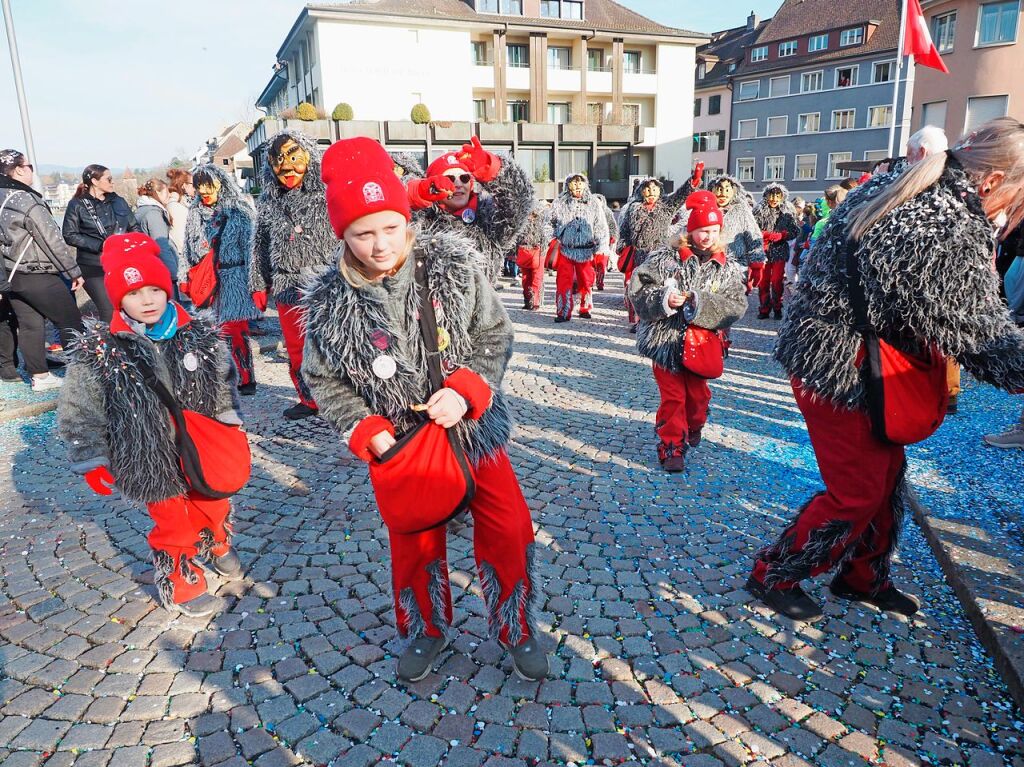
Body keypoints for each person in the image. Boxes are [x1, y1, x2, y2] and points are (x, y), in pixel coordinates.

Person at [749, 117, 1024, 622]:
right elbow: (982, 338)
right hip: (843, 368)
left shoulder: (909, 183)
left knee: (886, 476)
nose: (1011, 213)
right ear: (992, 181)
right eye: (1017, 198)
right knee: (857, 489)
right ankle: (776, 572)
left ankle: (862, 577)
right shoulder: (944, 221)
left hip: (843, 355)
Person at [301, 137, 548, 683]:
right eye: (363, 234)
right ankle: (425, 628)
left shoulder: (452, 265)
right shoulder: (327, 302)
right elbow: (322, 378)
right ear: (343, 235)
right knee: (414, 544)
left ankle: (516, 625)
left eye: (390, 228)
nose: (380, 244)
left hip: (473, 430)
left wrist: (466, 389)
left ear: (407, 221)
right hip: (402, 445)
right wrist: (366, 430)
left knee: (509, 528)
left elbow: (494, 334)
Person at [58, 233, 246, 617]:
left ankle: (216, 538)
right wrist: (91, 456)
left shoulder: (199, 333)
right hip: (145, 454)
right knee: (172, 519)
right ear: (116, 298)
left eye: (154, 290)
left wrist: (229, 420)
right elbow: (80, 407)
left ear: (168, 289)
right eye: (133, 293)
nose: (146, 300)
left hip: (200, 443)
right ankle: (179, 576)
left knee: (213, 499)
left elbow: (224, 381)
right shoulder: (101, 349)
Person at [628, 194, 746, 472]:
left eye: (714, 231)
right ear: (690, 229)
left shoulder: (726, 267)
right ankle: (671, 446)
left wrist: (701, 303)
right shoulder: (665, 259)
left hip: (702, 345)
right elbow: (638, 288)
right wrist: (664, 299)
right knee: (673, 398)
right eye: (703, 230)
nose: (708, 236)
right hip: (665, 341)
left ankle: (696, 423)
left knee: (697, 399)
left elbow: (737, 305)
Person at [251, 131, 335, 420]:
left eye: (294, 157)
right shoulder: (268, 202)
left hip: (327, 284)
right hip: (287, 286)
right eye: (278, 161)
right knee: (298, 348)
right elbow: (259, 244)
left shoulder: (327, 194)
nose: (286, 168)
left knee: (333, 344)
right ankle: (310, 399)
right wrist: (258, 282)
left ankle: (343, 400)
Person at [0, 149, 84, 390]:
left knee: (30, 324)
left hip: (12, 274)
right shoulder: (25, 199)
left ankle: (40, 375)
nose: (31, 172)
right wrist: (73, 271)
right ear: (18, 170)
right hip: (38, 272)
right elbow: (51, 239)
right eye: (29, 167)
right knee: (69, 320)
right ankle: (80, 373)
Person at [408, 136, 533, 284]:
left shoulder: (488, 220)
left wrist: (493, 168)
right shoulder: (423, 221)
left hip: (481, 305)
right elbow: (392, 218)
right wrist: (417, 193)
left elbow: (519, 203)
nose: (459, 183)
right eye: (450, 178)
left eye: (464, 178)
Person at [183, 164, 263, 395]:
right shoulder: (195, 212)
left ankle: (245, 377)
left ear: (220, 184)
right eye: (200, 186)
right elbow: (187, 249)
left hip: (234, 278)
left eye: (209, 185)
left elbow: (251, 249)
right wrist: (185, 276)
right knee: (213, 332)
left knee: (235, 330)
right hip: (206, 281)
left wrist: (255, 283)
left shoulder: (239, 211)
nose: (204, 191)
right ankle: (224, 377)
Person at [617, 166, 704, 327]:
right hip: (639, 254)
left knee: (659, 285)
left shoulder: (666, 205)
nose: (651, 192)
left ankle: (655, 317)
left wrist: (694, 179)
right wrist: (622, 247)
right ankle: (638, 320)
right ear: (641, 191)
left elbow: (681, 195)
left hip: (659, 255)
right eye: (647, 189)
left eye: (654, 189)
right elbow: (624, 230)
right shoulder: (632, 208)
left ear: (659, 190)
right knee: (636, 287)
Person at [62, 164, 139, 322]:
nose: (112, 182)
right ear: (95, 182)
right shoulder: (77, 205)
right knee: (109, 309)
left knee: (130, 307)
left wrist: (133, 244)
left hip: (122, 263)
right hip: (93, 266)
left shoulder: (119, 201)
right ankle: (110, 344)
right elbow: (69, 235)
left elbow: (134, 226)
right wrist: (100, 245)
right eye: (108, 179)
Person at [546, 174, 610, 322]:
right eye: (574, 183)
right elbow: (548, 223)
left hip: (586, 250)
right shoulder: (560, 202)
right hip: (565, 250)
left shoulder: (593, 203)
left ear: (585, 185)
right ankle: (563, 311)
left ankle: (585, 307)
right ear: (568, 185)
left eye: (580, 183)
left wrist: (602, 246)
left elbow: (600, 226)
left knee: (586, 281)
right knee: (563, 282)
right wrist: (552, 239)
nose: (577, 187)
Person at [752, 183, 801, 319]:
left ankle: (777, 307)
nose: (774, 199)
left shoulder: (787, 212)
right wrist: (764, 235)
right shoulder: (758, 212)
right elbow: (751, 229)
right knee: (763, 281)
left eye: (777, 196)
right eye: (771, 195)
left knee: (777, 280)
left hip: (779, 250)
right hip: (763, 251)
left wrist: (783, 235)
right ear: (766, 196)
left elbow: (795, 230)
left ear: (782, 197)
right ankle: (764, 308)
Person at [135, 179, 179, 299]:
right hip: (162, 270)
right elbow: (162, 245)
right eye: (166, 192)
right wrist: (174, 273)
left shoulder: (143, 210)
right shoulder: (153, 214)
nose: (169, 195)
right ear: (157, 193)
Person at [514, 201, 548, 310]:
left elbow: (544, 239)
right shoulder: (523, 224)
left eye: (533, 214)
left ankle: (535, 301)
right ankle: (528, 300)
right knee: (526, 278)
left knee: (536, 278)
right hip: (526, 252)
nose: (531, 216)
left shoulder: (540, 225)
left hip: (537, 253)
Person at [592, 193, 618, 291]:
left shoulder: (607, 212)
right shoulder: (589, 212)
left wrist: (613, 236)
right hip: (591, 243)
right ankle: (590, 282)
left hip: (604, 243)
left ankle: (600, 281)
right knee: (591, 265)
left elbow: (612, 225)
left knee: (601, 265)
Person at [166, 169, 193, 260]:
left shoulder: (180, 203)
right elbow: (180, 237)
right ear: (184, 186)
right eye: (193, 184)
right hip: (184, 256)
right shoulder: (175, 206)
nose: (195, 187)